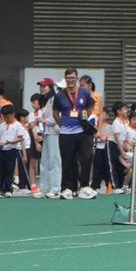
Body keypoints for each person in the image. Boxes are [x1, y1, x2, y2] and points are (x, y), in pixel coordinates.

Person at [52, 67, 97, 199]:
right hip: (66, 133)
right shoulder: (59, 96)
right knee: (67, 161)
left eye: (73, 78)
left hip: (82, 131)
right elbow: (55, 113)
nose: (70, 80)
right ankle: (67, 188)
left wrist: (84, 120)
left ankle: (84, 186)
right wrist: (62, 124)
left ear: (77, 78)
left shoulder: (84, 93)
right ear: (65, 79)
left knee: (86, 158)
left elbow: (90, 107)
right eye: (68, 78)